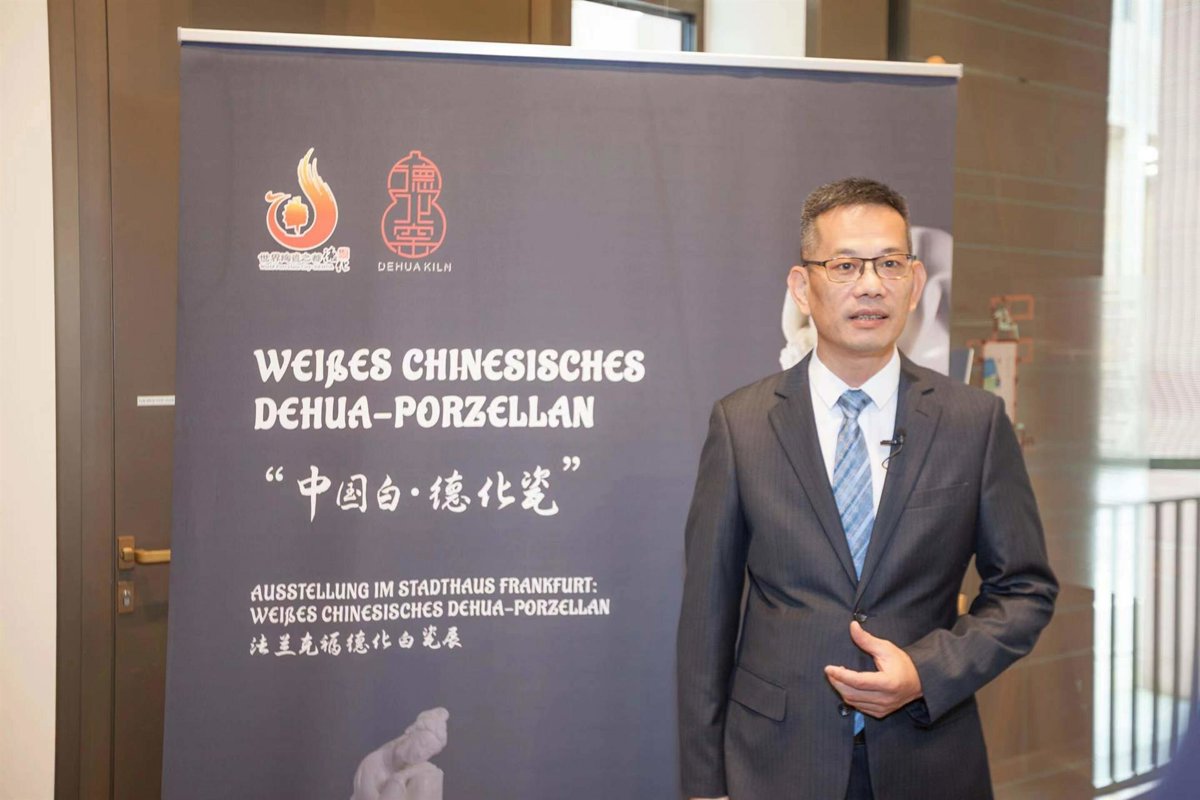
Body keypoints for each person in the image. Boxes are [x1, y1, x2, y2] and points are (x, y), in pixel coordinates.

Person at [676, 178, 1058, 800]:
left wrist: (926, 672)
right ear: (802, 287)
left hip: (929, 759)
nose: (871, 285)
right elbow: (706, 620)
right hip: (775, 763)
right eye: (845, 265)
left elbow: (1025, 591)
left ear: (914, 282)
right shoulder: (741, 425)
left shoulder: (974, 422)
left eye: (890, 264)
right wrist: (704, 785)